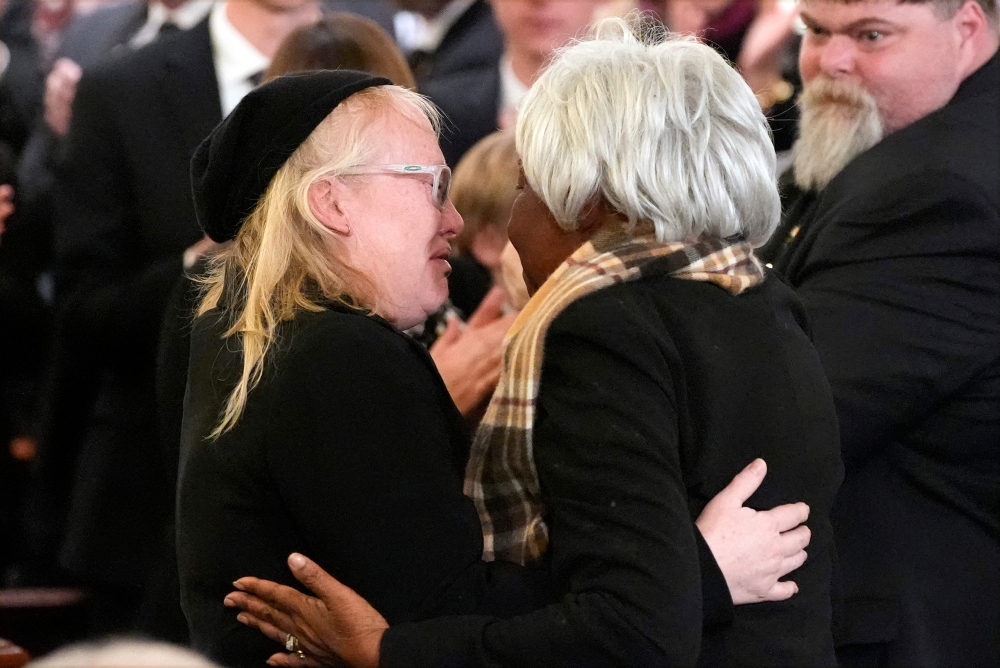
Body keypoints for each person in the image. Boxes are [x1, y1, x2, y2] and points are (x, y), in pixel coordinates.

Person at [224, 18, 843, 667]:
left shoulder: (608, 327)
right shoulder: (763, 300)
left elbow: (629, 628)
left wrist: (387, 651)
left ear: (586, 202)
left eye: (525, 186)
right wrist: (697, 572)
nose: (500, 223)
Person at [41, 0, 320, 636]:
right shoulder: (122, 88)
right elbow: (82, 308)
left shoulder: (371, 59)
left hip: (324, 522)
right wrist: (198, 264)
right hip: (151, 508)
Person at [758, 0, 999, 665]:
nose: (831, 62)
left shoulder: (934, 189)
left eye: (871, 36)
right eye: (814, 31)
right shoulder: (898, 141)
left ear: (968, 29)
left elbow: (790, 418)